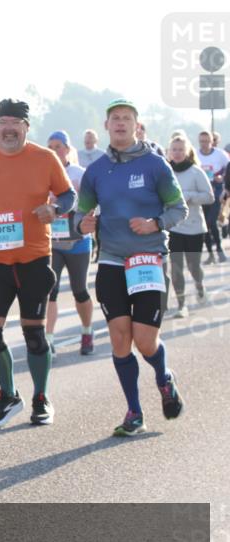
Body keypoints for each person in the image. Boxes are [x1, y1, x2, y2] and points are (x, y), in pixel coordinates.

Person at [0, 99, 75, 427]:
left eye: (15, 123)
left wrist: (55, 209)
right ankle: (8, 395)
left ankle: (41, 398)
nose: (8, 129)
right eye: (3, 123)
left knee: (33, 334)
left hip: (34, 259)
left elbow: (68, 195)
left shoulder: (45, 158)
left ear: (26, 127)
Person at [78, 99, 188, 436]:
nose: (121, 122)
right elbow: (80, 214)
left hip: (148, 260)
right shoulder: (96, 171)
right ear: (107, 125)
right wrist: (82, 224)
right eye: (115, 118)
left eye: (127, 118)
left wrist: (155, 224)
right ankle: (134, 412)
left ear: (136, 126)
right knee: (119, 339)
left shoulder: (155, 165)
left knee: (144, 341)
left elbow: (179, 209)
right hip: (111, 260)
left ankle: (164, 378)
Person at [45, 131, 95, 356]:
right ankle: (48, 340)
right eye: (50, 147)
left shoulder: (79, 173)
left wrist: (70, 206)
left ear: (67, 149)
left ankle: (87, 331)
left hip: (77, 241)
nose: (54, 150)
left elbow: (93, 201)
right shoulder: (42, 173)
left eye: (58, 146)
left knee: (80, 290)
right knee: (50, 291)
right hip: (52, 242)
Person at [165, 133, 214, 318]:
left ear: (187, 152)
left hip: (194, 228)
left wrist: (189, 196)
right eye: (174, 150)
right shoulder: (166, 172)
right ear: (169, 152)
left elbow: (209, 197)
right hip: (174, 227)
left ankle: (200, 287)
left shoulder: (195, 172)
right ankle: (181, 305)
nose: (177, 153)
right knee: (176, 267)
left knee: (194, 267)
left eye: (180, 150)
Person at [198, 130, 229, 264]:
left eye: (206, 141)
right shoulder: (195, 154)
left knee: (211, 221)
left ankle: (220, 251)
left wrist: (222, 177)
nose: (204, 144)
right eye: (201, 141)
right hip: (201, 191)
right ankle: (211, 254)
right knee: (204, 224)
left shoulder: (220, 154)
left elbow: (228, 168)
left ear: (212, 141)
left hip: (216, 191)